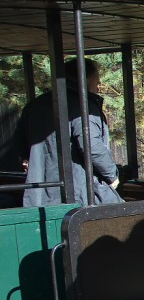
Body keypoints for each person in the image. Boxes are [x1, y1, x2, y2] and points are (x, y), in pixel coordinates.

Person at [17, 58, 123, 207]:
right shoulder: (83, 106)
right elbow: (91, 145)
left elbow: (21, 147)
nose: (98, 86)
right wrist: (112, 175)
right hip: (77, 192)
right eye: (96, 80)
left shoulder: (33, 106)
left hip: (40, 194)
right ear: (85, 79)